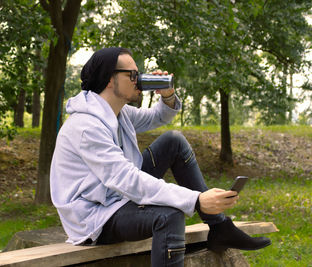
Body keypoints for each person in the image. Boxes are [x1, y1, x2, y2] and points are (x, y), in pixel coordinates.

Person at [50, 47, 271, 266]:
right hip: (96, 215)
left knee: (174, 141)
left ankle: (220, 228)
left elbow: (157, 117)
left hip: (116, 196)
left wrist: (167, 94)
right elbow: (126, 179)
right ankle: (216, 225)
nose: (139, 81)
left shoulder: (119, 112)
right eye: (133, 75)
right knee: (169, 216)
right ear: (110, 79)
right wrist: (196, 200)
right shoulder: (86, 127)